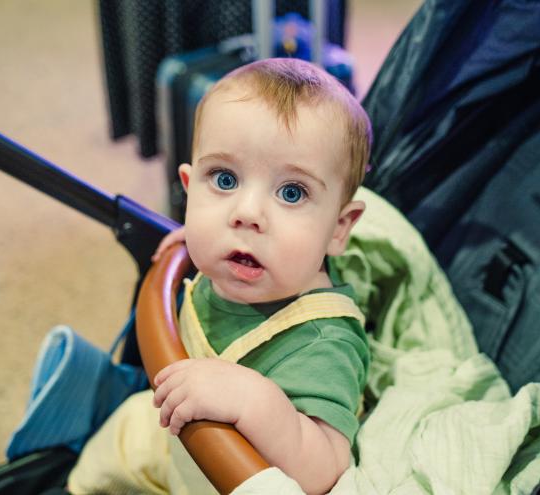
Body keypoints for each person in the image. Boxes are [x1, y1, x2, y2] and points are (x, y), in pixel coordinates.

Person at [67, 57, 373, 495]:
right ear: (189, 188)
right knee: (108, 449)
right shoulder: (240, 257)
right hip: (172, 435)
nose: (246, 213)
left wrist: (255, 401)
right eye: (225, 180)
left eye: (292, 192)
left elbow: (325, 470)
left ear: (338, 229)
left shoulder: (323, 343)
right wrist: (197, 234)